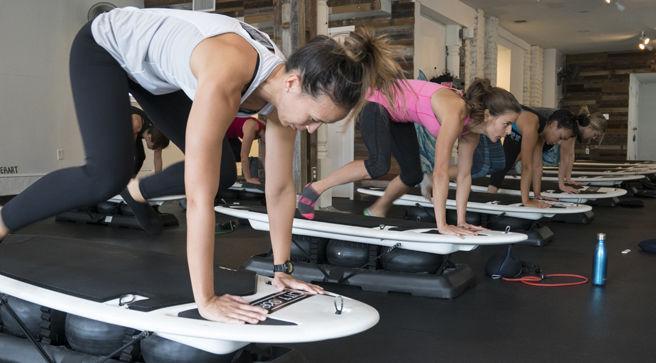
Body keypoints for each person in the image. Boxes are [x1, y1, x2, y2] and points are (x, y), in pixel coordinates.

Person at [0, 7, 404, 323]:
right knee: (105, 174)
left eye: (323, 124)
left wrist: (282, 268)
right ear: (293, 83)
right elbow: (198, 196)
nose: (312, 130)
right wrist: (206, 299)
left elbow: (280, 188)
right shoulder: (227, 73)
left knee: (225, 171)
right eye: (315, 117)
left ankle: (137, 192)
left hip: (154, 72)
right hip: (105, 47)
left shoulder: (285, 95)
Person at [297, 78, 521, 236]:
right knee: (378, 165)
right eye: (507, 123)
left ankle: (377, 209)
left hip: (399, 116)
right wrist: (442, 225)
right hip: (376, 103)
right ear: (489, 115)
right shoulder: (457, 112)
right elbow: (440, 172)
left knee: (412, 174)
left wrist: (461, 221)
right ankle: (314, 188)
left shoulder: (472, 132)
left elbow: (463, 176)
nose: (509, 131)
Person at [488, 106, 579, 206]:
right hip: (490, 114)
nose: (559, 142)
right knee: (503, 165)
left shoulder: (540, 134)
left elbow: (537, 166)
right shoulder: (532, 126)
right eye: (560, 137)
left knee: (506, 163)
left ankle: (489, 195)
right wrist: (526, 201)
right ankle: (488, 197)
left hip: (514, 129)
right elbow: (526, 166)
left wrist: (537, 195)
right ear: (553, 124)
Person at [542, 109, 607, 193]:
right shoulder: (570, 127)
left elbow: (571, 154)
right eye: (595, 135)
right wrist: (561, 185)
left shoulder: (575, 128)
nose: (593, 138)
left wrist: (568, 179)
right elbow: (564, 158)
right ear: (589, 127)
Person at [225, 116, 266, 184]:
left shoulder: (264, 130)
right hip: (219, 130)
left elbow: (264, 157)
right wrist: (248, 178)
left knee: (237, 154)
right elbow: (244, 156)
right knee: (236, 155)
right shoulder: (251, 128)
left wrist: (269, 176)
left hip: (231, 135)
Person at [131, 106, 170, 176]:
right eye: (154, 147)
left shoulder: (158, 133)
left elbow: (158, 158)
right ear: (149, 137)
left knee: (140, 157)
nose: (155, 150)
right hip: (116, 118)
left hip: (134, 130)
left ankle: (131, 179)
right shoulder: (136, 124)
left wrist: (159, 179)